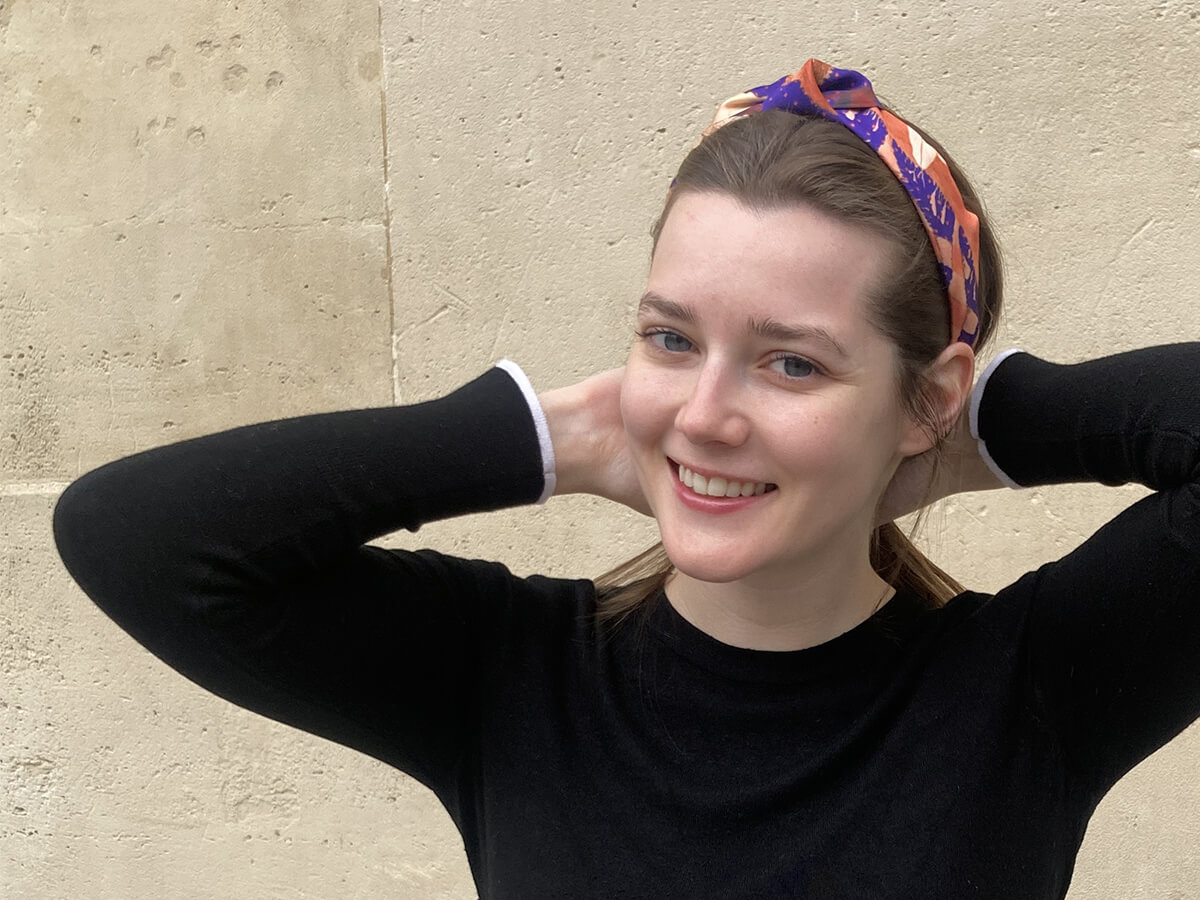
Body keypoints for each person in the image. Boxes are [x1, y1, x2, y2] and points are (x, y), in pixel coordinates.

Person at [53, 59, 1200, 898]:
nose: (704, 416)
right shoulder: (506, 679)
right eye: (670, 340)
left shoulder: (1035, 690)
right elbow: (135, 537)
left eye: (790, 361)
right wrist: (544, 440)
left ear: (925, 395)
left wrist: (978, 430)